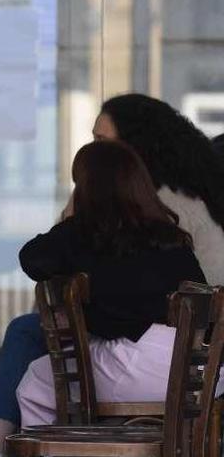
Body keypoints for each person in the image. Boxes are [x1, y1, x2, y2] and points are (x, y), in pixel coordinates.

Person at [0, 93, 224, 457]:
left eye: (101, 141)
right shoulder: (165, 220)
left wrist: (78, 215)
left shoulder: (123, 217)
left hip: (145, 350)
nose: (93, 147)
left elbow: (39, 257)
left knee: (34, 352)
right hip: (202, 362)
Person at [16, 140, 206, 425]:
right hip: (197, 371)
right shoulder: (170, 237)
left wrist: (69, 218)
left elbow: (32, 258)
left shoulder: (81, 234)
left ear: (85, 189)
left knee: (34, 383)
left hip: (135, 363)